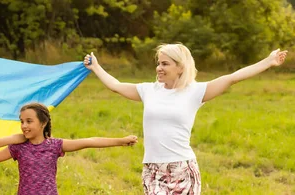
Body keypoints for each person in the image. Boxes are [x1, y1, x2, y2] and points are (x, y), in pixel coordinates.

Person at [83, 43, 287, 194]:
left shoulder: (195, 91)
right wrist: (96, 67)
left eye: (165, 64)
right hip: (152, 169)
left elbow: (233, 77)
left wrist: (268, 62)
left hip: (182, 169)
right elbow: (116, 86)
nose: (159, 68)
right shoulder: (148, 90)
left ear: (180, 67)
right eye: (158, 63)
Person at [0, 102, 138, 195]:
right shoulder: (19, 148)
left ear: (43, 122)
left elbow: (88, 141)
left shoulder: (55, 146)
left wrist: (120, 140)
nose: (24, 125)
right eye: (22, 121)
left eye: (29, 121)